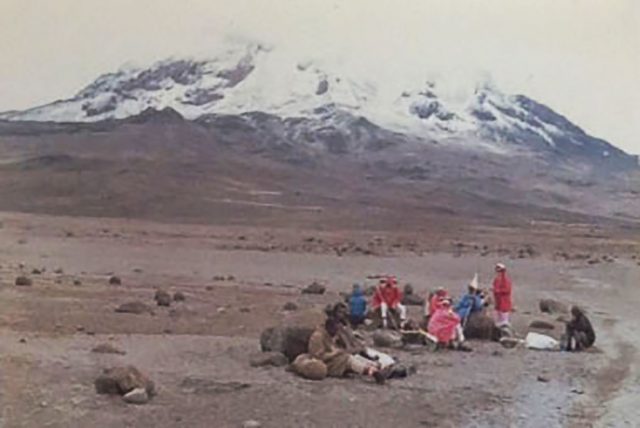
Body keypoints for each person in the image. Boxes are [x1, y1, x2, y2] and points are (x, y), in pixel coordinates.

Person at [308, 317, 387, 384]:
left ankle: (373, 367)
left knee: (351, 357)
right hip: (324, 364)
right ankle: (371, 371)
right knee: (348, 359)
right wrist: (336, 353)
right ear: (329, 328)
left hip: (333, 359)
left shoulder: (330, 335)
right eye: (335, 330)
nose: (337, 332)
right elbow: (318, 356)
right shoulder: (318, 337)